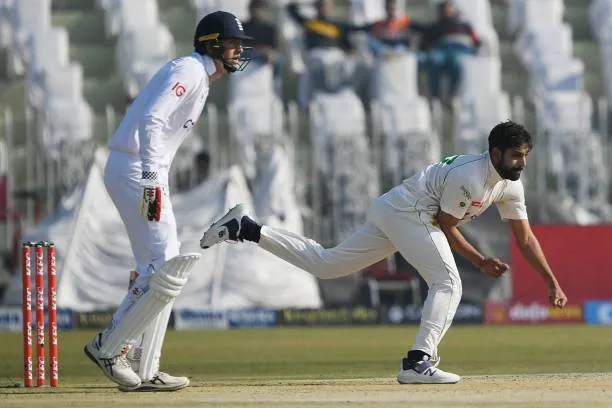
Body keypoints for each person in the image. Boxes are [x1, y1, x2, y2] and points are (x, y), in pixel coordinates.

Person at [200, 121, 568, 384]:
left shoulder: (508, 185)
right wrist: (478, 260)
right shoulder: (471, 176)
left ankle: (246, 228)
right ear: (495, 152)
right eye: (516, 155)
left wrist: (551, 282)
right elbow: (445, 222)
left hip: (394, 210)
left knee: (326, 265)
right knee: (448, 282)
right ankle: (418, 361)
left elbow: (526, 239)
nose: (522, 162)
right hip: (410, 212)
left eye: (526, 156)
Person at [83, 11, 254, 392]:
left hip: (140, 169)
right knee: (165, 266)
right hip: (135, 168)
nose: (238, 50)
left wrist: (152, 175)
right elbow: (151, 119)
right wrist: (148, 178)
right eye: (232, 43)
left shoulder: (200, 77)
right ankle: (108, 347)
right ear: (212, 43)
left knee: (164, 267)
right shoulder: (190, 71)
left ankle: (145, 367)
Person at [422, 0, 481, 100]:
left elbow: (476, 41)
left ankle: (453, 96)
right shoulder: (435, 27)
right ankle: (435, 97)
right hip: (442, 50)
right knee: (434, 60)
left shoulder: (465, 25)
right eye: (443, 9)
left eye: (448, 8)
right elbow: (425, 44)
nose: (446, 11)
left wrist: (477, 49)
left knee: (456, 62)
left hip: (461, 50)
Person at [243, 0, 278, 65]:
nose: (256, 11)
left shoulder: (270, 28)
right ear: (249, 9)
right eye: (254, 8)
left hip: (264, 56)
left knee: (279, 60)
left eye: (258, 8)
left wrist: (268, 51)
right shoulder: (242, 26)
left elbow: (273, 47)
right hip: (247, 54)